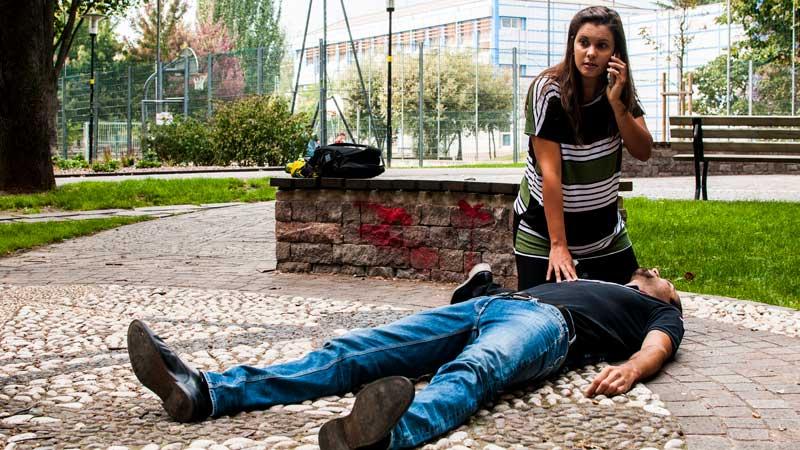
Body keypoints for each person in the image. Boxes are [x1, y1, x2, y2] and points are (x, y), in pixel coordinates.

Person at [126, 265, 683, 450]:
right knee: (351, 351)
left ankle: (383, 434)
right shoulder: (597, 279)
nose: (655, 272)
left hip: (545, 328)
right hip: (495, 305)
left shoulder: (656, 313)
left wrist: (633, 368)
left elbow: (658, 347)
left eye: (662, 278)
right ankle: (208, 391)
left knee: (475, 370)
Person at [515, 6, 654, 289]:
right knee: (542, 316)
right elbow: (550, 174)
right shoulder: (547, 91)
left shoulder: (620, 90)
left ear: (615, 54)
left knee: (639, 308)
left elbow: (643, 150)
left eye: (602, 46)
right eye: (584, 43)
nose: (591, 52)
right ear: (572, 45)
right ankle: (482, 288)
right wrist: (558, 245)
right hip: (544, 233)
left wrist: (617, 105)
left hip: (604, 234)